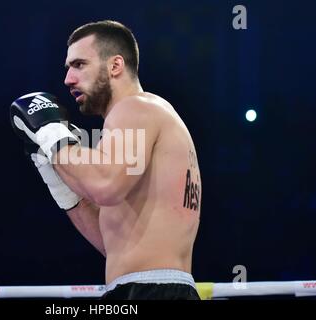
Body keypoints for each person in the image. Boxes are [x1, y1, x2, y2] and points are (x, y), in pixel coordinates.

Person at [10, 20, 201, 300]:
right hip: (143, 288)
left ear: (115, 66)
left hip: (151, 291)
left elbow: (105, 187)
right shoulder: (139, 122)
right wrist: (56, 176)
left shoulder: (136, 108)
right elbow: (111, 243)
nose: (68, 79)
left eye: (79, 65)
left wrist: (52, 134)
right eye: (68, 68)